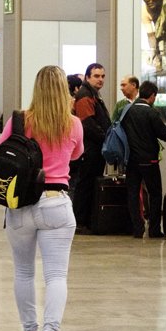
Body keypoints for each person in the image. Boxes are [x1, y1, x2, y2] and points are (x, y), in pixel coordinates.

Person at [0, 65, 84, 331]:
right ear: (65, 91)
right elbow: (77, 155)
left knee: (24, 273)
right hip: (56, 204)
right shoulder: (73, 124)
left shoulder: (20, 121)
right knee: (56, 276)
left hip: (20, 206)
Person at [122, 81, 166, 238]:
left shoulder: (128, 111)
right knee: (155, 193)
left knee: (133, 193)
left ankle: (137, 228)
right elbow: (162, 133)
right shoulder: (151, 113)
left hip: (132, 159)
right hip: (149, 159)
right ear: (153, 96)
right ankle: (154, 229)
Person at [72, 63, 111, 234]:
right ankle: (80, 222)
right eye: (96, 76)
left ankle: (86, 220)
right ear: (88, 77)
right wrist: (106, 138)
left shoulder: (94, 94)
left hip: (94, 148)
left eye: (102, 76)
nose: (100, 79)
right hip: (89, 149)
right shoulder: (85, 95)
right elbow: (87, 123)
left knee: (89, 184)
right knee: (85, 185)